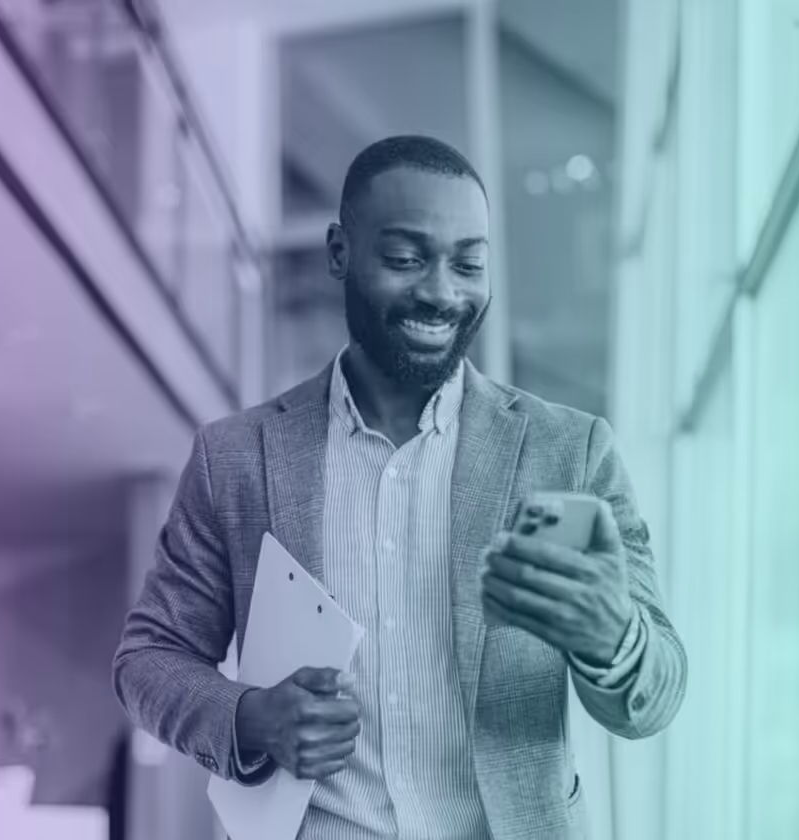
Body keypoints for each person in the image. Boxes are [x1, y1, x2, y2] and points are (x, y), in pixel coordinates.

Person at [113, 135, 686, 839]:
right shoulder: (235, 457)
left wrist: (611, 637)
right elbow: (150, 659)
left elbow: (656, 695)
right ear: (339, 252)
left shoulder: (570, 452)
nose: (443, 292)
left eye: (469, 263)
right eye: (406, 259)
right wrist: (253, 717)